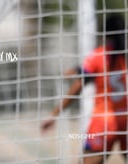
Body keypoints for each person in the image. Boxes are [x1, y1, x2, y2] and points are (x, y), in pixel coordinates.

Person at [41, 14, 127, 163]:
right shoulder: (124, 56)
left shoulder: (99, 55)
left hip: (103, 123)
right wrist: (77, 69)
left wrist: (54, 114)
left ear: (104, 31)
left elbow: (79, 85)